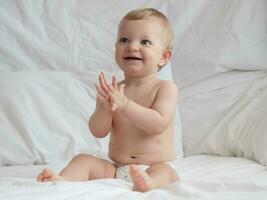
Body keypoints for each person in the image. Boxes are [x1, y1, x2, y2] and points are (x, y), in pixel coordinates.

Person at [37, 8, 179, 192]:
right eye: (124, 40)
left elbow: (158, 124)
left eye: (145, 42)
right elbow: (98, 131)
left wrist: (125, 105)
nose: (132, 46)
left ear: (164, 57)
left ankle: (148, 183)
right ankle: (63, 178)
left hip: (154, 166)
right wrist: (104, 109)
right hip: (116, 168)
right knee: (83, 160)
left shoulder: (165, 88)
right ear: (116, 48)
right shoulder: (114, 92)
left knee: (167, 172)